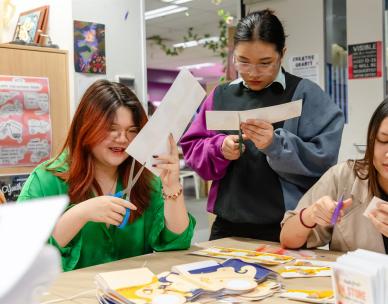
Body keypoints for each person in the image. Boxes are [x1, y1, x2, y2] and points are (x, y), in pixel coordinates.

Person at [180, 9, 344, 241]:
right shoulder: (221, 95)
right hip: (228, 225)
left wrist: (276, 145)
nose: (253, 73)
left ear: (282, 54)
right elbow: (193, 147)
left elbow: (324, 160)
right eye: (243, 62)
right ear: (233, 54)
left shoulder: (304, 94)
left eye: (265, 63)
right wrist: (219, 148)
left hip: (286, 227)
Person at [18, 80, 195, 271]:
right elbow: (21, 258)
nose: (122, 139)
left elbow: (177, 243)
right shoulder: (46, 180)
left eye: (132, 131)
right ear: (86, 127)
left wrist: (172, 187)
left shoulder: (144, 178)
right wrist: (80, 214)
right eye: (111, 128)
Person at [280, 99, 388, 254]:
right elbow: (287, 239)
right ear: (371, 138)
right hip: (352, 278)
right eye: (384, 139)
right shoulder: (344, 176)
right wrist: (310, 215)